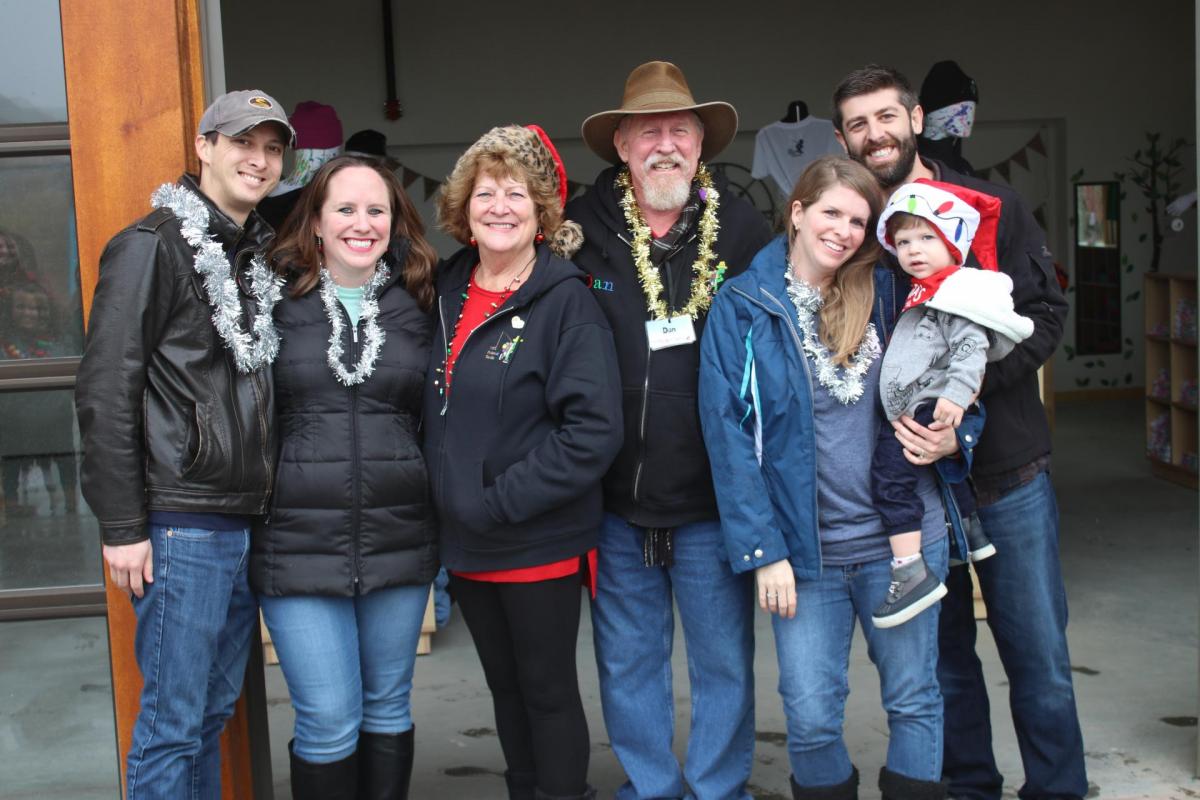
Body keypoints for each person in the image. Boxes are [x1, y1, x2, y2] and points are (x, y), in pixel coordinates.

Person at [832, 65, 1086, 800]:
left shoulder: (990, 205)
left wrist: (962, 410)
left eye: (886, 116)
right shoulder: (853, 232)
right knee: (941, 666)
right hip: (913, 496)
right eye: (857, 124)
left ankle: (1058, 790)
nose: (874, 134)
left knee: (1038, 658)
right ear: (843, 138)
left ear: (915, 119)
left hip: (1006, 473)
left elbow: (1044, 318)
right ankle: (968, 787)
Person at [700, 155, 950, 800]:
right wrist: (764, 551)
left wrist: (958, 431)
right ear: (798, 213)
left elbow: (962, 358)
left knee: (915, 700)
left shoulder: (894, 292)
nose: (843, 230)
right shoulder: (745, 305)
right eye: (831, 212)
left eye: (859, 221)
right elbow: (726, 434)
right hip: (805, 555)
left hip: (903, 544)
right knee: (810, 720)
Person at [74, 89, 294, 798]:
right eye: (242, 143)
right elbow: (106, 389)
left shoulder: (254, 253)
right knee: (172, 724)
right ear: (204, 147)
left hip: (241, 521)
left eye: (271, 147)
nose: (258, 161)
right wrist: (123, 525)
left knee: (207, 717)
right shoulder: (151, 246)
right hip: (180, 526)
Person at [566, 60, 771, 800]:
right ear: (621, 145)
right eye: (648, 130)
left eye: (679, 130)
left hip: (714, 498)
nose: (665, 144)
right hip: (616, 501)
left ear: (700, 144)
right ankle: (651, 787)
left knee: (723, 660)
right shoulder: (579, 233)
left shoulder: (745, 232)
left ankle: (717, 788)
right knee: (628, 661)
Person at [423, 124, 622, 800]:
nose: (499, 206)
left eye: (516, 194)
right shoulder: (445, 290)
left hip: (535, 537)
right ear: (464, 207)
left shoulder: (566, 301)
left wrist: (497, 501)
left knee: (544, 691)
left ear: (541, 212)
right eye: (486, 192)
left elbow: (593, 432)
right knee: (504, 690)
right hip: (467, 541)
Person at [254, 154, 439, 800]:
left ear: (395, 221)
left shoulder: (422, 303)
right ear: (316, 223)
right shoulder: (273, 303)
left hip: (400, 538)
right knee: (329, 720)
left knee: (388, 707)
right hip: (298, 545)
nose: (362, 223)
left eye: (376, 210)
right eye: (346, 209)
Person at [869, 179, 1034, 628]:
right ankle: (971, 528)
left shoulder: (958, 294)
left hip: (929, 403)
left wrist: (957, 396)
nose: (913, 250)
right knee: (941, 469)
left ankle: (910, 571)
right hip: (923, 399)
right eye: (903, 242)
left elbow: (970, 350)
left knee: (888, 479)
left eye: (927, 238)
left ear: (954, 243)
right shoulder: (926, 289)